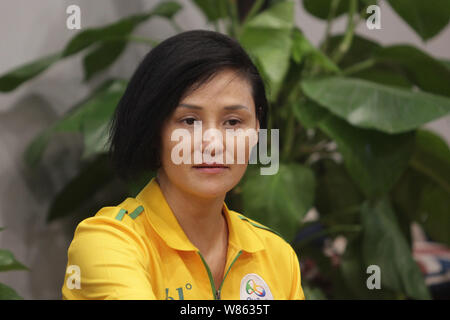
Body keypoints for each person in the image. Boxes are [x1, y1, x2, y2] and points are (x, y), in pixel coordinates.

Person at [62, 29, 305, 300]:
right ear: (154, 130)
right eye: (189, 121)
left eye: (233, 122)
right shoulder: (107, 243)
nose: (213, 144)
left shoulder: (277, 255)